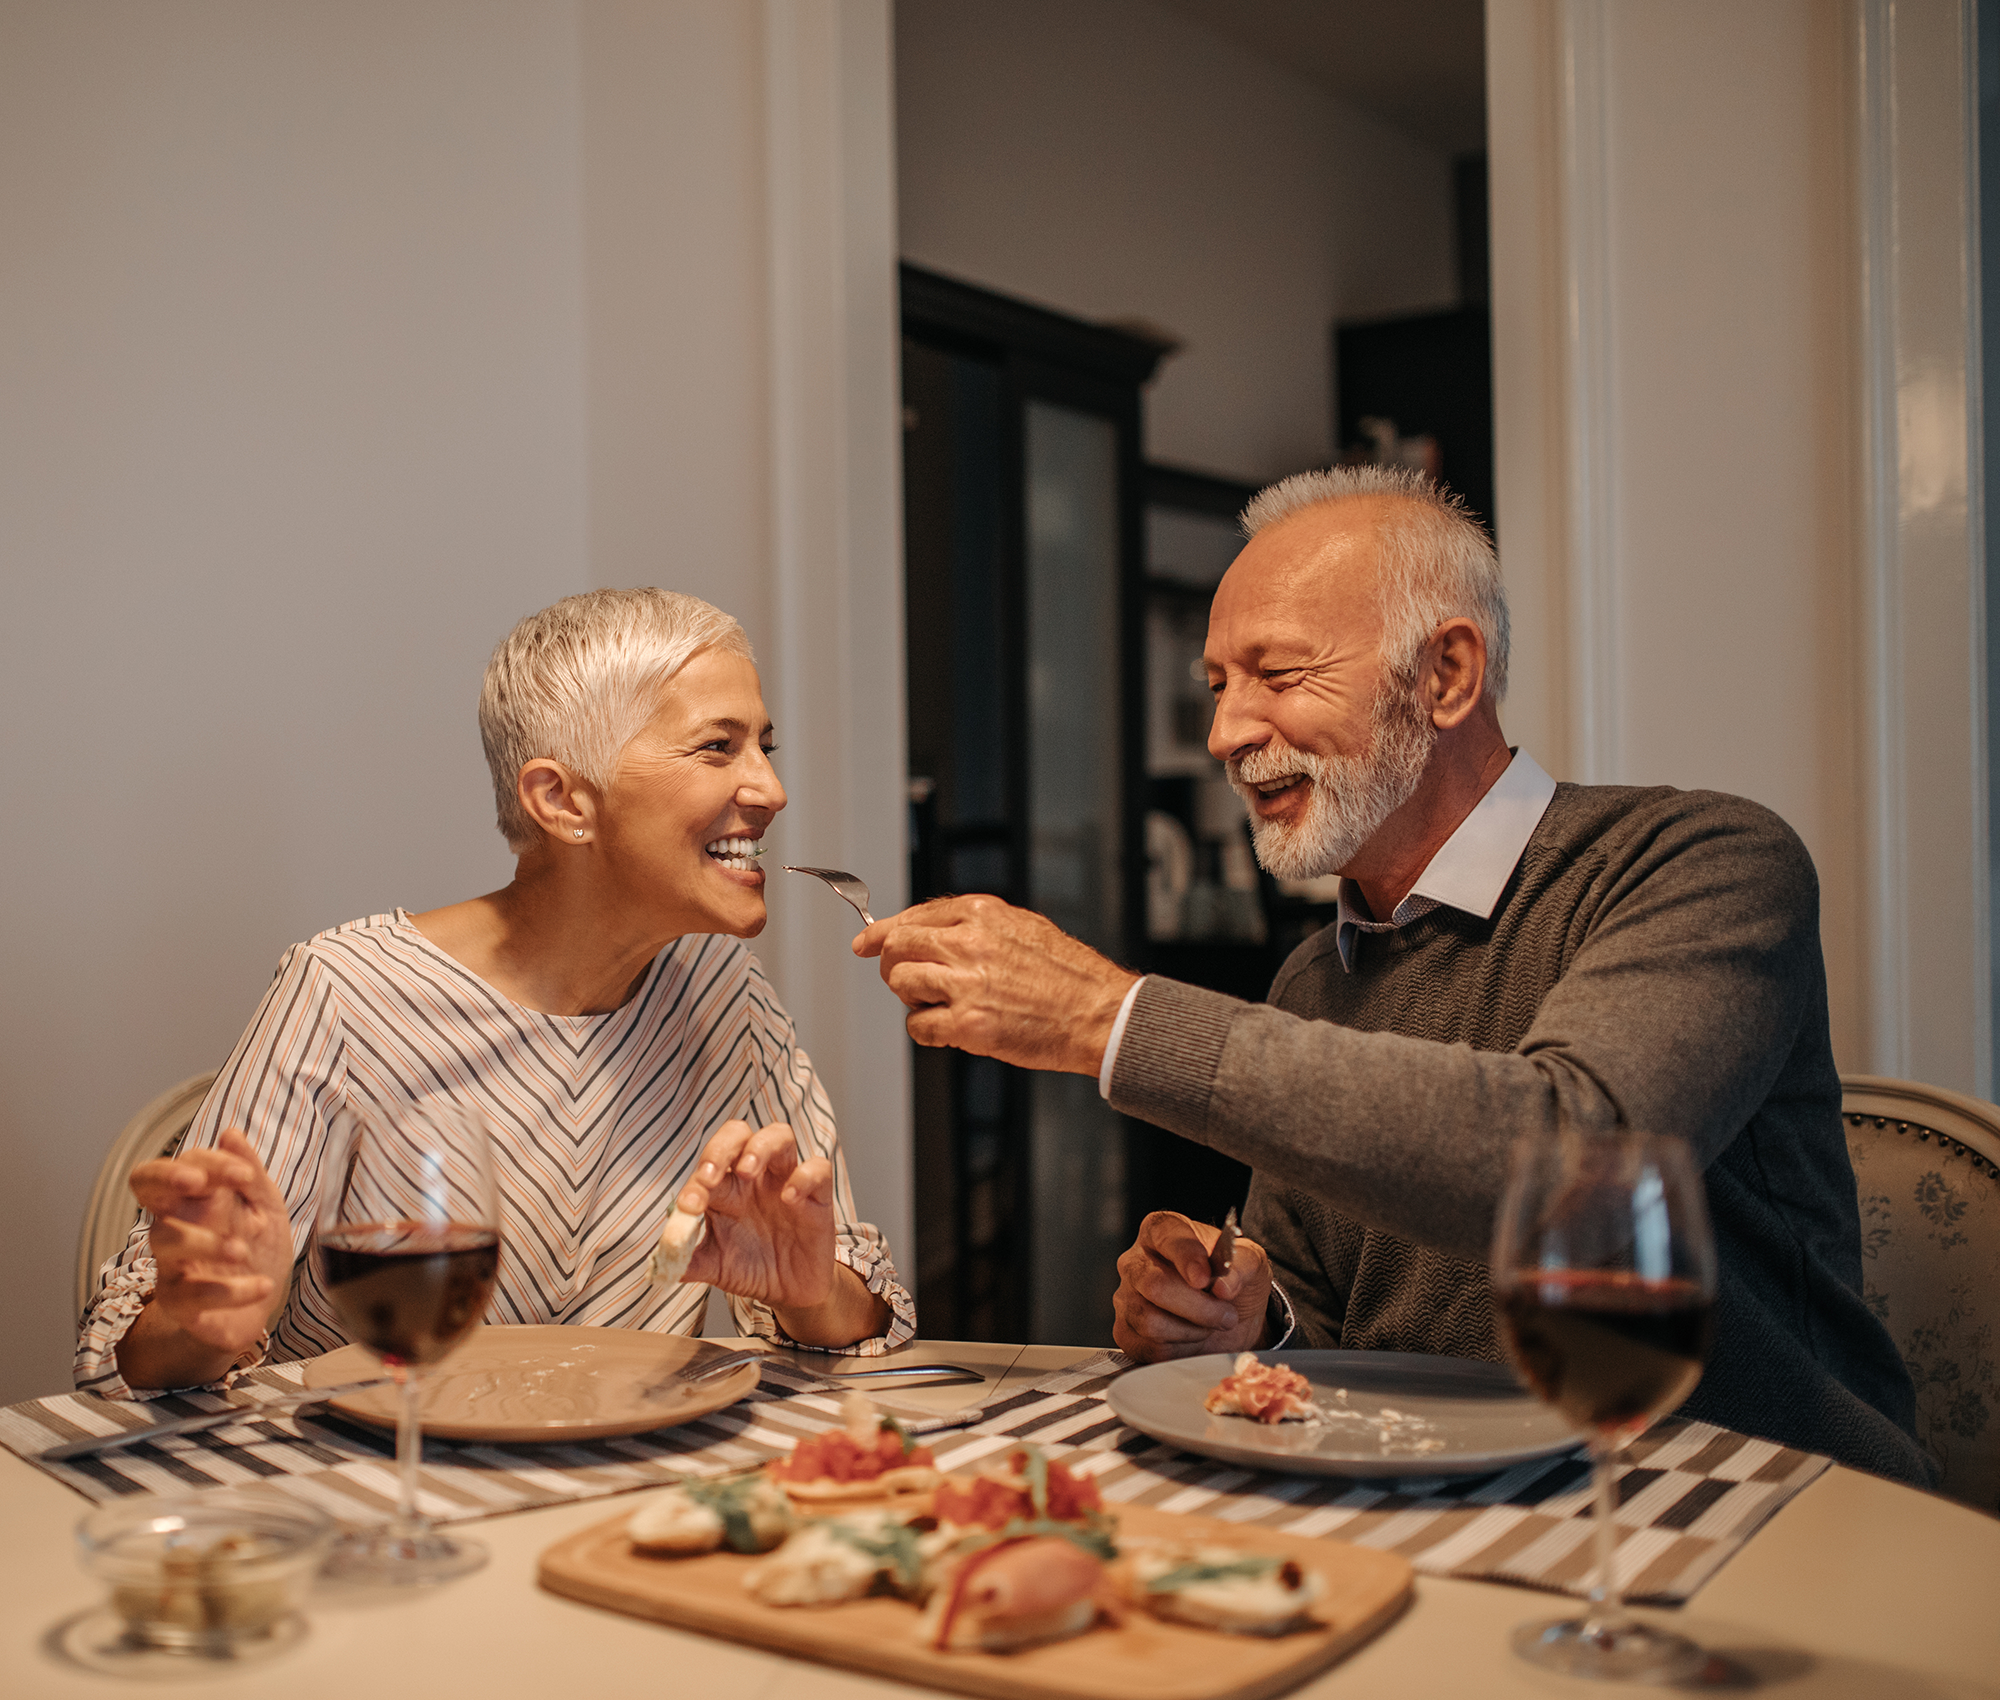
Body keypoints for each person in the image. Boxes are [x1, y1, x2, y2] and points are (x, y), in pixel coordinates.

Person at [858, 465, 1932, 1487]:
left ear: (1446, 674)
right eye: (1218, 686)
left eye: (1277, 675)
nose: (1224, 734)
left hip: (1759, 1505)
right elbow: (1324, 1321)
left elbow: (1569, 1161)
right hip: (1458, 1504)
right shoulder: (1310, 976)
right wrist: (1243, 1318)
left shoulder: (1700, 861)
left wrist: (1112, 1017)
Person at [79, 589, 913, 1398]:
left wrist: (814, 1296)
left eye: (767, 745)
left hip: (629, 1497)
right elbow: (123, 1357)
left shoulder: (722, 991)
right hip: (375, 1495)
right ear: (562, 800)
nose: (771, 789)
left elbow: (859, 1314)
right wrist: (201, 1322)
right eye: (717, 748)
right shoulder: (345, 992)